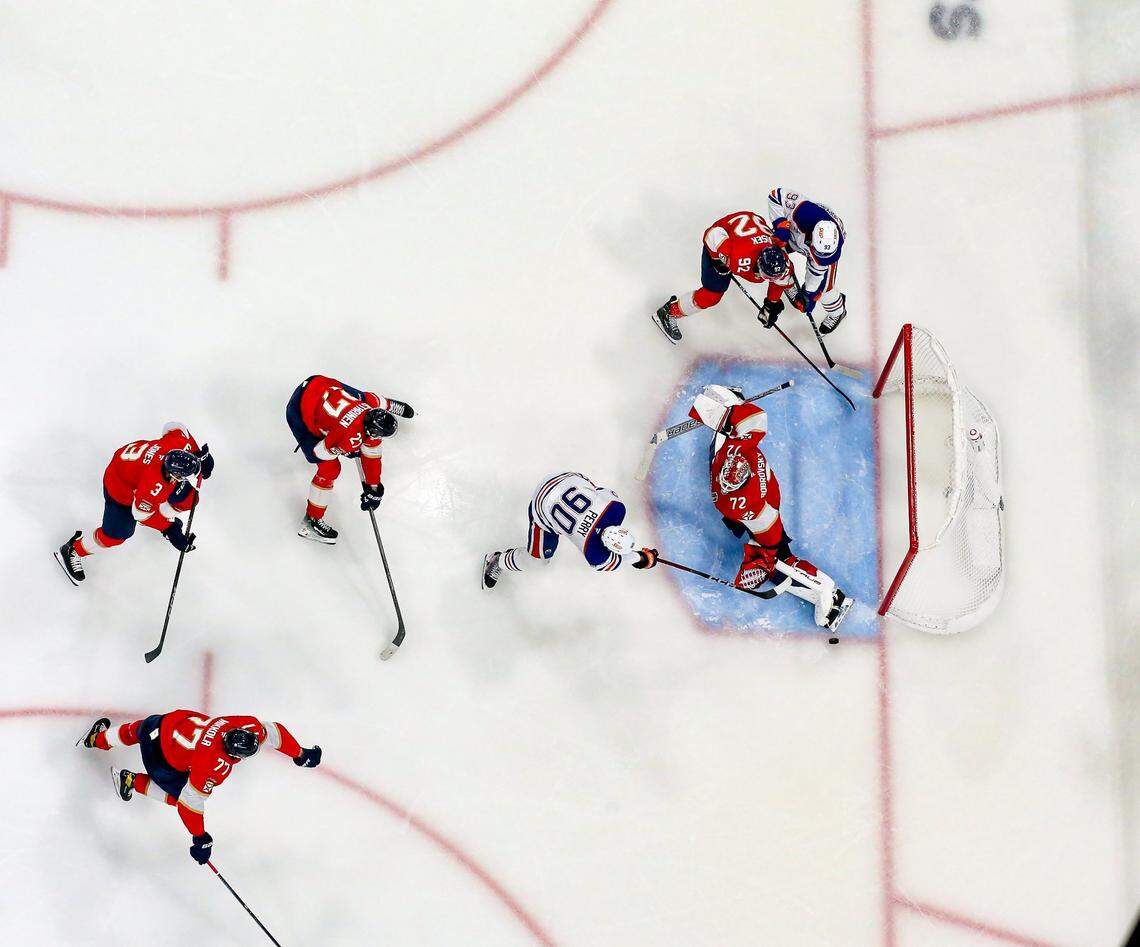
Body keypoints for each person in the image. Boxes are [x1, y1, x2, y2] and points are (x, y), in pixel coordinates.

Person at [691, 385, 852, 631]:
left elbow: (748, 518)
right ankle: (823, 590)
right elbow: (755, 421)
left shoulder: (734, 486)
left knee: (780, 558)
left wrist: (765, 551)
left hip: (764, 515)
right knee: (778, 553)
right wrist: (734, 407)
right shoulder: (740, 450)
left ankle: (826, 593)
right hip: (767, 505)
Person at [79, 711, 321, 865]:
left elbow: (274, 732)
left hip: (165, 722)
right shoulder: (212, 766)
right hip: (160, 756)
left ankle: (96, 739)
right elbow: (189, 804)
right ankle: (130, 781)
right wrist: (200, 838)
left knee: (140, 730)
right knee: (178, 797)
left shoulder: (243, 725)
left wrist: (300, 753)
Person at [55, 422, 210, 585]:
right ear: (175, 476)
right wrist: (169, 529)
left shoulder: (176, 443)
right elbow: (140, 515)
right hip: (120, 486)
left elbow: (174, 426)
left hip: (133, 467)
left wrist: (200, 455)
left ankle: (159, 514)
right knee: (116, 535)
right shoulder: (151, 488)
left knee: (189, 499)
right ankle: (73, 550)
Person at [285, 374, 414, 543]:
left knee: (366, 399)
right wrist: (344, 450)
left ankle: (387, 404)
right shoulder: (346, 437)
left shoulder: (368, 409)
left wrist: (374, 487)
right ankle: (311, 521)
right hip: (299, 408)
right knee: (330, 469)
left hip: (319, 383)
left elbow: (371, 453)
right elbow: (316, 454)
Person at [482, 471, 658, 589]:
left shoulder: (617, 508)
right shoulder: (595, 554)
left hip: (564, 478)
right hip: (541, 507)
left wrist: (642, 556)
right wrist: (641, 558)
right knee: (536, 562)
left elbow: (603, 491)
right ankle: (498, 560)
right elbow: (619, 561)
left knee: (594, 491)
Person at [653, 210, 794, 343]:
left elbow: (779, 281)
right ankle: (668, 313)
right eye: (767, 276)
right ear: (758, 263)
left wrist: (771, 303)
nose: (770, 280)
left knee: (783, 279)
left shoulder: (784, 261)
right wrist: (717, 260)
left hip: (749, 230)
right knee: (712, 294)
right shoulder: (737, 257)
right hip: (723, 234)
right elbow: (712, 234)